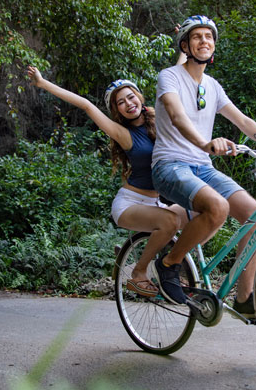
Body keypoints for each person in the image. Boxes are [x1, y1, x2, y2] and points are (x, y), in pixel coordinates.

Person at [150, 15, 256, 319]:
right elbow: (178, 117)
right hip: (170, 165)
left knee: (254, 216)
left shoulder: (213, 86)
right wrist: (205, 143)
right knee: (217, 208)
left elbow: (242, 121)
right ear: (185, 44)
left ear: (213, 46)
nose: (204, 41)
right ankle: (169, 264)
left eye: (209, 36)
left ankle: (245, 299)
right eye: (197, 36)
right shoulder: (170, 76)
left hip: (201, 168)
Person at [26, 66, 187, 296]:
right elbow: (86, 105)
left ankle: (174, 271)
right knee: (170, 221)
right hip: (131, 204)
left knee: (204, 212)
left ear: (140, 97)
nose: (128, 103)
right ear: (117, 110)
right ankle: (139, 273)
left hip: (157, 203)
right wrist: (43, 83)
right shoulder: (123, 133)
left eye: (131, 96)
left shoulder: (159, 119)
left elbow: (170, 84)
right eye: (120, 102)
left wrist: (184, 43)